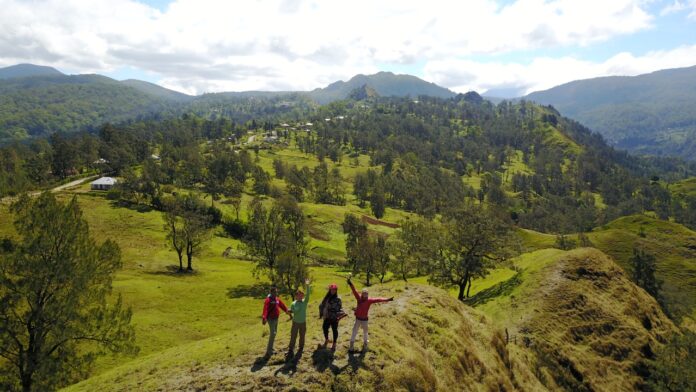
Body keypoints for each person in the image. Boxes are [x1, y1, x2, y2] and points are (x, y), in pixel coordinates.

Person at [347, 277, 393, 353]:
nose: (365, 295)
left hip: (365, 320)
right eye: (364, 293)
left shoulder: (369, 300)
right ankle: (351, 346)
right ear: (362, 294)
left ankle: (365, 345)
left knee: (365, 332)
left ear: (368, 294)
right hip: (358, 319)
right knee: (354, 331)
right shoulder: (359, 298)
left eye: (366, 294)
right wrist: (350, 283)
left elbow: (378, 299)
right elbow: (354, 291)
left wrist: (387, 299)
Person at [261, 286, 289, 359]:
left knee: (274, 333)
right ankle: (269, 351)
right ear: (271, 292)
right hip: (271, 319)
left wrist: (286, 310)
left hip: (276, 318)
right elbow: (265, 309)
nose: (276, 293)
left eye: (276, 292)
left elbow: (282, 305)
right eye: (275, 292)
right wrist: (264, 317)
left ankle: (271, 348)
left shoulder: (276, 299)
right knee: (273, 333)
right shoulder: (268, 300)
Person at [286, 278, 311, 360]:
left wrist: (307, 285)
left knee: (302, 336)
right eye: (298, 295)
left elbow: (308, 294)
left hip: (303, 323)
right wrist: (289, 311)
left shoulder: (305, 302)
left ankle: (301, 348)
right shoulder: (293, 303)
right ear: (296, 296)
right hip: (295, 322)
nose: (300, 296)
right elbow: (292, 310)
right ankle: (291, 349)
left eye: (301, 295)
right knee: (293, 336)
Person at [318, 283, 345, 351]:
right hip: (327, 316)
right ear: (330, 290)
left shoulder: (338, 298)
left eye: (334, 290)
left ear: (336, 290)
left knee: (334, 330)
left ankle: (334, 343)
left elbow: (339, 307)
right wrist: (321, 310)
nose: (333, 291)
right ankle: (327, 340)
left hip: (334, 317)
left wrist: (332, 309)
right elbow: (323, 305)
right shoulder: (327, 297)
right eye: (331, 289)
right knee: (324, 328)